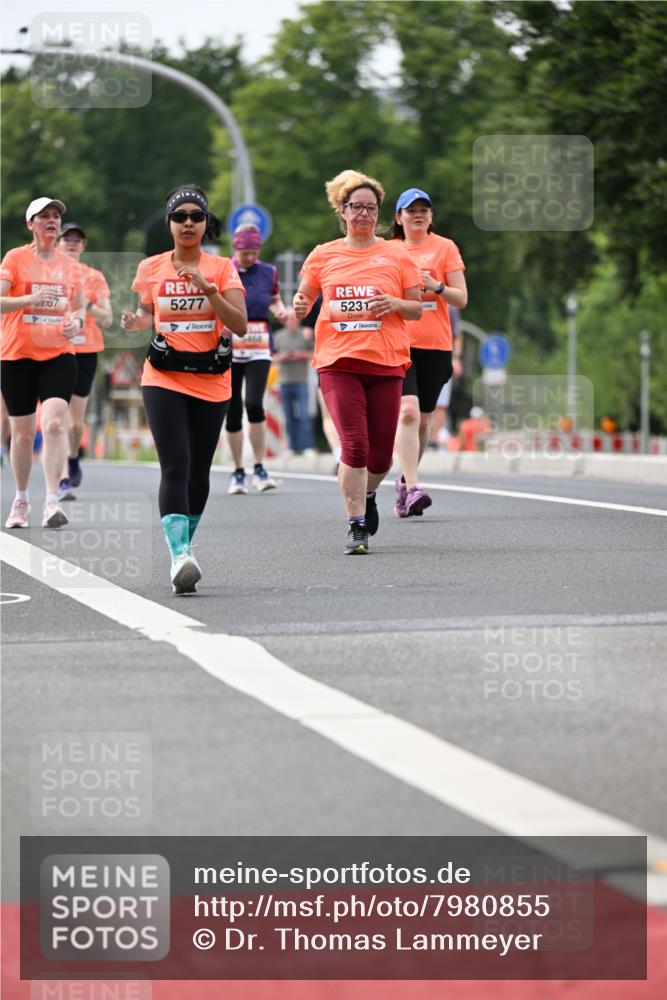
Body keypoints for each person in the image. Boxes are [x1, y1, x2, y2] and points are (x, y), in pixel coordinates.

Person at [121, 185, 247, 593]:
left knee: (198, 472)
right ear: (170, 223)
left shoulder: (222, 267)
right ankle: (179, 557)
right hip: (163, 377)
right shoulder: (151, 268)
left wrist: (208, 288)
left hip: (211, 379)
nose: (188, 222)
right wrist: (134, 322)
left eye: (196, 216)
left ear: (206, 222)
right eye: (180, 216)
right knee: (175, 464)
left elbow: (240, 324)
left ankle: (185, 543)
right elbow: (146, 313)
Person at [293, 169, 422, 554]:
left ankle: (367, 495)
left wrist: (396, 303)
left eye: (371, 208)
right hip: (338, 361)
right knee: (355, 445)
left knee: (382, 456)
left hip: (386, 362)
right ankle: (356, 525)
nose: (364, 214)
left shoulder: (396, 254)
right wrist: (300, 305)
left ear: (379, 214)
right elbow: (303, 299)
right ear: (342, 212)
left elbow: (417, 308)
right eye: (356, 207)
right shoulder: (323, 254)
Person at [1, 196, 84, 528]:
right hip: (17, 354)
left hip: (59, 354)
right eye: (44, 216)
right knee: (21, 435)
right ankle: (21, 499)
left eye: (56, 216)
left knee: (52, 423)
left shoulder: (69, 265)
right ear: (30, 224)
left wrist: (76, 323)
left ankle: (52, 501)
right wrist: (29, 299)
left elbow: (78, 308)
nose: (52, 221)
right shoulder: (15, 259)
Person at [391, 188, 467, 516]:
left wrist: (434, 285)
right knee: (406, 413)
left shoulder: (445, 248)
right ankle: (412, 485)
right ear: (399, 218)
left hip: (436, 345)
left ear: (431, 217)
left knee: (424, 421)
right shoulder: (388, 251)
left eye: (424, 210)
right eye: (411, 210)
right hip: (398, 343)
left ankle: (405, 483)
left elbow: (460, 299)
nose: (418, 215)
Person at [225, 224, 293, 494]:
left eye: (254, 253)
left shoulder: (268, 272)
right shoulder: (225, 270)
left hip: (259, 343)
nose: (250, 258)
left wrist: (282, 311)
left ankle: (260, 466)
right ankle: (238, 471)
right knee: (232, 409)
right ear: (235, 249)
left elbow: (274, 298)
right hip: (230, 344)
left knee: (254, 403)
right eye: (245, 253)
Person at [56, 222, 113, 500]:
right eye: (67, 239)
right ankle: (62, 477)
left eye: (77, 240)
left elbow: (108, 318)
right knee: (55, 417)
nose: (72, 243)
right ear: (58, 243)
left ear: (84, 246)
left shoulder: (94, 278)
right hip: (53, 350)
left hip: (86, 350)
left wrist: (84, 303)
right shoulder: (48, 273)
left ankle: (73, 455)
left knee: (75, 422)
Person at [273, 312, 315, 455]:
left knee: (304, 415)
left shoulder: (305, 334)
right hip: (284, 382)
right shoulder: (278, 336)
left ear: (298, 321)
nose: (291, 321)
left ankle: (307, 446)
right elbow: (271, 356)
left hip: (302, 381)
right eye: (288, 319)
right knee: (288, 416)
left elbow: (315, 353)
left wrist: (302, 355)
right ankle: (292, 447)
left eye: (293, 319)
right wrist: (282, 357)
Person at [429, 306, 463, 449]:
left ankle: (434, 439)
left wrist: (455, 359)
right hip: (416, 356)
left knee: (440, 403)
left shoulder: (450, 306)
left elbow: (457, 335)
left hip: (443, 357)